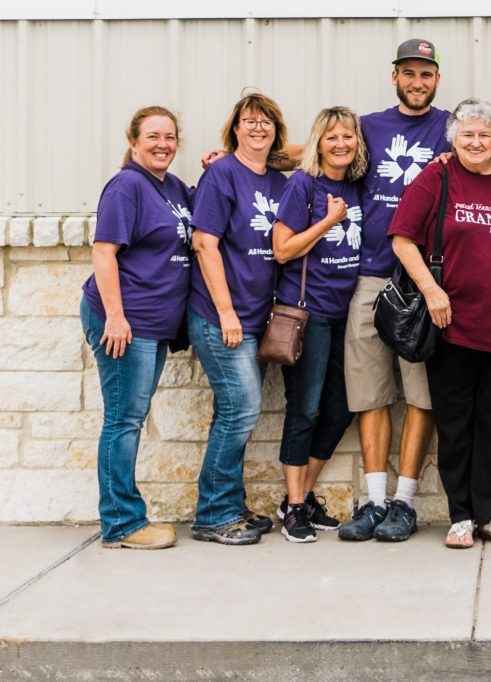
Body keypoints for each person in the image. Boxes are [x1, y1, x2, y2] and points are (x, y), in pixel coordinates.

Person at [389, 98, 491, 549]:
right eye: (467, 134)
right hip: (451, 320)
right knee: (455, 421)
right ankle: (461, 515)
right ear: (453, 138)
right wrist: (432, 291)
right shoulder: (438, 175)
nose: (475, 142)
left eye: (484, 135)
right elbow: (402, 239)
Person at [336, 39, 450, 542]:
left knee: (421, 393)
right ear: (395, 77)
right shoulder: (369, 127)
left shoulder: (452, 127)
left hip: (426, 279)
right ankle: (376, 500)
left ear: (437, 79)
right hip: (370, 276)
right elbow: (321, 148)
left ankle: (405, 503)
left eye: (426, 74)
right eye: (409, 73)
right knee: (369, 393)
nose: (418, 82)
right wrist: (240, 153)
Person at [81, 106, 192, 549]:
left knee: (131, 417)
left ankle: (125, 518)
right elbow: (104, 252)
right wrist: (116, 316)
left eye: (169, 136)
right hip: (126, 321)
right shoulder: (127, 185)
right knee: (123, 421)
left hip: (152, 323)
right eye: (152, 136)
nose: (162, 144)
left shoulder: (171, 187)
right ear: (133, 142)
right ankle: (122, 524)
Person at [188, 93, 288, 546]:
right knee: (242, 409)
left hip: (257, 318)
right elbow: (205, 244)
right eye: (249, 121)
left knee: (232, 413)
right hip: (220, 317)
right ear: (234, 128)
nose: (258, 128)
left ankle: (227, 504)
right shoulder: (222, 174)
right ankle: (214, 515)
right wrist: (227, 312)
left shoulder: (279, 180)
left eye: (266, 122)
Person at [271, 107, 366, 542]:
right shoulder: (303, 185)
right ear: (318, 143)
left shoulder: (359, 185)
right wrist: (328, 222)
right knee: (305, 409)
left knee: (341, 408)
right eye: (331, 138)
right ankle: (293, 507)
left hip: (347, 314)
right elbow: (283, 250)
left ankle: (301, 495)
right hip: (308, 314)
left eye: (348, 136)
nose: (341, 144)